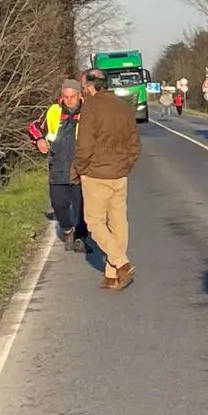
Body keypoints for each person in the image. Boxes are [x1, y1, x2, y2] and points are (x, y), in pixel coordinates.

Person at [72, 67, 141, 290]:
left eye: (83, 87)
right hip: (120, 173)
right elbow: (134, 143)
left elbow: (84, 145)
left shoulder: (91, 107)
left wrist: (80, 169)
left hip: (96, 173)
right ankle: (112, 275)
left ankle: (121, 263)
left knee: (94, 222)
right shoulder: (124, 106)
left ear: (90, 86)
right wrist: (127, 164)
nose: (83, 91)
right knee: (118, 221)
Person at [27, 80, 89, 252]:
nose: (69, 100)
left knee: (83, 207)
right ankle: (68, 229)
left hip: (82, 168)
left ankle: (81, 238)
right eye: (66, 97)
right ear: (62, 96)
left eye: (73, 97)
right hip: (58, 166)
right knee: (59, 204)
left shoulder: (89, 113)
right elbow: (34, 127)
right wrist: (39, 139)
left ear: (80, 96)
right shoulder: (53, 112)